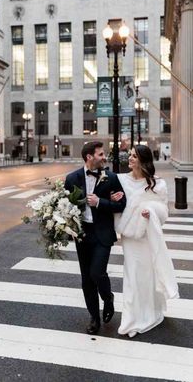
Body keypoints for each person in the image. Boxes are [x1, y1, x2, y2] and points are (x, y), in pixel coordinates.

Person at [111, 145, 179, 338]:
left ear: (143, 160)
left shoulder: (158, 184)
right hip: (130, 238)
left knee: (148, 276)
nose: (130, 158)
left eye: (134, 156)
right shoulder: (121, 180)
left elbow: (163, 211)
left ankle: (152, 312)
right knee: (132, 276)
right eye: (130, 155)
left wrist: (151, 211)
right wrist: (113, 198)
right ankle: (131, 319)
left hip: (147, 237)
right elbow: (116, 204)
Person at [65, 141, 126, 335]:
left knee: (97, 272)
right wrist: (67, 228)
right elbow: (64, 206)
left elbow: (121, 204)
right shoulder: (72, 178)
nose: (103, 157)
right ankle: (94, 317)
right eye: (100, 154)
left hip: (102, 233)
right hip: (82, 235)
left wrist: (101, 202)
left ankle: (108, 299)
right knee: (86, 279)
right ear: (89, 157)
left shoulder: (111, 178)